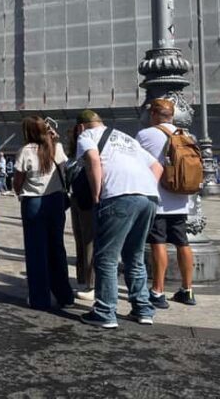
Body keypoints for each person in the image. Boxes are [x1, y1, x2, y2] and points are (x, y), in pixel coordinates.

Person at [75, 110, 163, 329]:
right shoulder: (127, 138)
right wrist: (142, 186)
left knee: (106, 257)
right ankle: (142, 309)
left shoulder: (86, 136)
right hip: (149, 197)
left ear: (81, 126)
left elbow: (94, 160)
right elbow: (158, 167)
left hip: (118, 196)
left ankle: (105, 311)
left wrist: (97, 193)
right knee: (135, 255)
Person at [135, 99, 196, 308]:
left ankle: (158, 291)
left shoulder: (145, 135)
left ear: (153, 114)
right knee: (182, 243)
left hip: (158, 198)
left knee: (158, 243)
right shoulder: (185, 135)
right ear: (172, 115)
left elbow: (136, 163)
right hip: (180, 199)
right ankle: (187, 290)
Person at [13, 116, 74, 310]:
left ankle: (40, 297)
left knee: (36, 250)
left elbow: (18, 180)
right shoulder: (57, 148)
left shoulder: (26, 151)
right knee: (57, 247)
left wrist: (20, 194)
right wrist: (54, 139)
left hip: (33, 200)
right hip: (56, 200)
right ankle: (64, 294)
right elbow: (65, 171)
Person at [67, 128, 95, 301]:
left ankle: (91, 283)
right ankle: (83, 279)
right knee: (80, 240)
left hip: (88, 198)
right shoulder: (74, 155)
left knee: (89, 241)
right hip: (76, 197)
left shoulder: (90, 151)